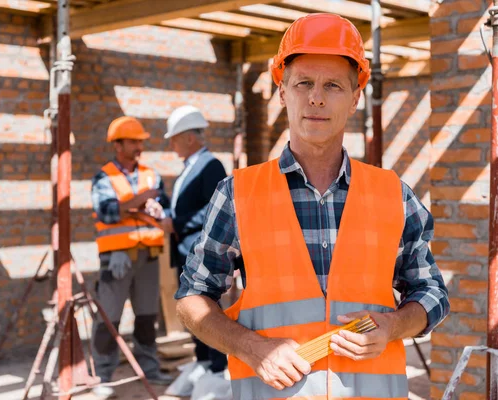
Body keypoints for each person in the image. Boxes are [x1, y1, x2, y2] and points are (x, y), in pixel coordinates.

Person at [175, 14, 449, 399]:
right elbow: (192, 298)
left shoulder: (393, 194)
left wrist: (393, 326)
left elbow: (432, 293)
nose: (316, 97)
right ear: (283, 92)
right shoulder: (238, 193)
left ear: (355, 97)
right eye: (303, 83)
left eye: (333, 85)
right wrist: (252, 348)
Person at [90, 116, 173, 398]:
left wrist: (151, 208)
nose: (139, 146)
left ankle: (150, 370)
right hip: (116, 257)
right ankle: (102, 376)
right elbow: (108, 212)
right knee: (108, 318)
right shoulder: (104, 177)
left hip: (148, 256)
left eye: (140, 141)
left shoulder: (152, 175)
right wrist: (144, 198)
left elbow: (166, 211)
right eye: (134, 141)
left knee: (147, 318)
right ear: (118, 144)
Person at [153, 106, 228, 394]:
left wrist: (178, 223)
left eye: (174, 138)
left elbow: (214, 211)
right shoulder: (190, 168)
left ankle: (218, 367)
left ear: (189, 138)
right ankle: (205, 361)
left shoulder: (210, 166)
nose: (170, 145)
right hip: (185, 249)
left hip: (201, 250)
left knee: (207, 308)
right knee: (193, 308)